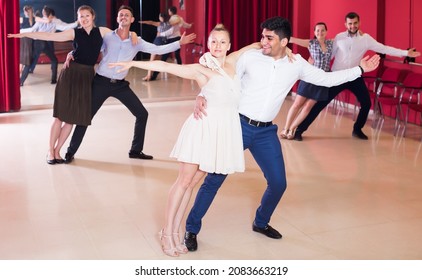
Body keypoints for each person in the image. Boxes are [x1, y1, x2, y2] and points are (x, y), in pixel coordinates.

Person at [182, 16, 381, 252]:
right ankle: (192, 228)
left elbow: (326, 79)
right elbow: (219, 76)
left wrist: (359, 70)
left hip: (266, 131)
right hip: (238, 126)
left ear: (284, 41)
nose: (262, 41)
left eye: (269, 38)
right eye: (262, 36)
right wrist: (202, 95)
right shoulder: (249, 57)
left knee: (278, 183)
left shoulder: (295, 63)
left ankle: (261, 222)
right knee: (215, 178)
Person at [111, 24, 261, 257]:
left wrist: (285, 48)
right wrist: (132, 63)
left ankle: (175, 231)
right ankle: (167, 233)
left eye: (222, 42)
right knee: (183, 182)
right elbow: (164, 65)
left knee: (191, 185)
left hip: (220, 133)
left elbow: (257, 45)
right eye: (213, 41)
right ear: (208, 43)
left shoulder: (233, 61)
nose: (217, 46)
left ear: (229, 45)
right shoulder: (202, 70)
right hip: (202, 130)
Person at [63, 5, 196, 164]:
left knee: (142, 114)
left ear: (132, 19)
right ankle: (70, 152)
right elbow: (89, 47)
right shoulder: (107, 37)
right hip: (101, 82)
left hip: (120, 85)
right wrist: (72, 53)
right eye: (121, 15)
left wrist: (178, 43)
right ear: (118, 19)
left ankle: (135, 150)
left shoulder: (137, 41)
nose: (124, 17)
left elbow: (157, 49)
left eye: (127, 15)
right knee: (85, 118)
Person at [9, 5, 120, 164]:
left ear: (93, 16)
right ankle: (50, 151)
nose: (84, 19)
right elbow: (48, 36)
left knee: (71, 119)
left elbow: (122, 36)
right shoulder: (74, 32)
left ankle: (57, 151)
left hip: (87, 76)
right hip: (70, 74)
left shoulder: (102, 31)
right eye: (81, 16)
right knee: (60, 116)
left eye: (86, 15)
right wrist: (23, 34)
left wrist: (135, 35)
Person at [293, 12, 421, 141]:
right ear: (346, 24)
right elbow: (329, 55)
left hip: (355, 75)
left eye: (355, 23)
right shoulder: (339, 37)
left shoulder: (366, 39)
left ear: (359, 23)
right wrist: (315, 61)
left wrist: (405, 53)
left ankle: (357, 129)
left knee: (366, 103)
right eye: (350, 23)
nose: (352, 26)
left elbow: (384, 48)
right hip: (337, 76)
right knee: (320, 104)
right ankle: (299, 130)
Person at [279, 22, 333, 139]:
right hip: (310, 77)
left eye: (322, 30)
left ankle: (292, 128)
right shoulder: (311, 43)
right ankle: (286, 128)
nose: (320, 32)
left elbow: (345, 39)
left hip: (323, 80)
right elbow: (291, 39)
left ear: (326, 32)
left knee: (308, 107)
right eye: (317, 30)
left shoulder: (331, 43)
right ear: (314, 32)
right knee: (297, 104)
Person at [19, 6, 78, 86]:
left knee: (29, 62)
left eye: (44, 12)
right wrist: (77, 23)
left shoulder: (41, 20)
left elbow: (33, 30)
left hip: (38, 42)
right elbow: (65, 27)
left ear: (47, 13)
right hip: (46, 42)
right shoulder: (55, 21)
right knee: (54, 60)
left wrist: (21, 31)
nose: (43, 13)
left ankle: (20, 82)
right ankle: (53, 80)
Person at [149, 6, 192, 81]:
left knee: (164, 57)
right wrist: (190, 25)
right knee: (177, 55)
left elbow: (171, 31)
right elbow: (186, 25)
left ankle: (154, 75)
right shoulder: (180, 18)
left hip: (171, 39)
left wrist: (161, 34)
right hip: (178, 38)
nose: (168, 13)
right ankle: (180, 73)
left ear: (170, 12)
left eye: (169, 11)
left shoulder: (171, 19)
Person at [139, 12, 172, 81]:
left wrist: (143, 22)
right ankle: (152, 75)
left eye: (160, 16)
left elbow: (151, 22)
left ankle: (148, 76)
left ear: (162, 18)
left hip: (158, 41)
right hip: (164, 42)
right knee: (157, 60)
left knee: (152, 59)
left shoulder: (160, 24)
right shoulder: (170, 24)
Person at [19, 5, 35, 75]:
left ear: (25, 11)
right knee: (25, 56)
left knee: (21, 56)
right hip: (29, 39)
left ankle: (19, 73)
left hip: (23, 39)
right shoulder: (34, 19)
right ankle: (22, 72)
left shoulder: (22, 19)